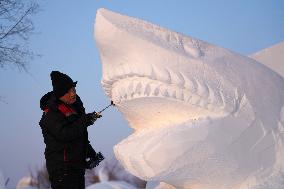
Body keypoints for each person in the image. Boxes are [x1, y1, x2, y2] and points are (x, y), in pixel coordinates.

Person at [39, 71, 104, 189]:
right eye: (69, 91)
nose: (73, 93)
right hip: (63, 171)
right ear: (60, 94)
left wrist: (90, 154)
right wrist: (85, 120)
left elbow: (79, 135)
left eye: (74, 89)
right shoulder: (51, 113)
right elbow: (65, 134)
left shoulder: (73, 108)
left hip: (77, 168)